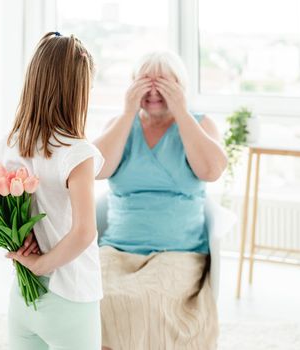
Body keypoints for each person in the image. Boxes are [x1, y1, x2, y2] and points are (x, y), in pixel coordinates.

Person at [93, 51, 228, 350]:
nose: (153, 92)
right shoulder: (119, 124)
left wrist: (181, 112)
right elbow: (96, 168)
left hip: (178, 253)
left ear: (180, 87)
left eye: (163, 84)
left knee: (146, 301)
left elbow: (212, 170)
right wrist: (128, 114)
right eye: (145, 83)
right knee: (94, 296)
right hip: (118, 249)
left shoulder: (200, 124)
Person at [0, 32, 104, 350]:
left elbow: (9, 216)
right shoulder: (77, 153)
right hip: (70, 293)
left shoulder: (10, 144)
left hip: (23, 296)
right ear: (78, 92)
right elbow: (84, 232)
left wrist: (31, 262)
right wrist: (44, 264)